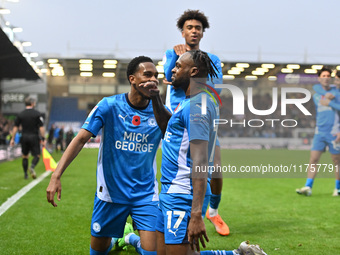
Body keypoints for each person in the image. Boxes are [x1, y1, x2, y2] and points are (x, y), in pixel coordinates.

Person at [148, 50, 266, 255]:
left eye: (178, 66)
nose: (172, 70)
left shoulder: (196, 107)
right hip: (170, 191)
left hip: (181, 193)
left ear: (193, 72)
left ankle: (239, 254)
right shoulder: (191, 100)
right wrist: (156, 98)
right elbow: (170, 128)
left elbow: (200, 161)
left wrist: (196, 215)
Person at [46, 56, 162, 255]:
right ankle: (120, 239)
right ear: (132, 79)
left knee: (154, 252)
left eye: (156, 76)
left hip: (145, 194)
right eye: (147, 75)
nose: (153, 79)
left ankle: (131, 238)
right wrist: (56, 175)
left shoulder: (160, 113)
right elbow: (80, 139)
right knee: (99, 252)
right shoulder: (109, 106)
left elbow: (179, 141)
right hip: (110, 193)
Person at [162, 9, 229, 236]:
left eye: (197, 28)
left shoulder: (213, 60)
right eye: (189, 27)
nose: (194, 31)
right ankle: (152, 212)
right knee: (169, 169)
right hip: (176, 119)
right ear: (183, 32)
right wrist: (175, 57)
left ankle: (213, 211)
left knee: (215, 169)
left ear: (202, 33)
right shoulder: (171, 54)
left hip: (201, 116)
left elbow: (215, 85)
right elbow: (168, 77)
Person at [296, 67, 340, 196]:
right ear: (319, 78)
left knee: (336, 161)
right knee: (313, 159)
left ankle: (337, 189)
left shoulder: (336, 92)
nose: (326, 78)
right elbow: (316, 87)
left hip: (334, 132)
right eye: (324, 76)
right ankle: (308, 187)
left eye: (328, 76)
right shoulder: (316, 94)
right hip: (319, 132)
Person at [10, 96, 46, 179]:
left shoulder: (21, 114)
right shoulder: (37, 114)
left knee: (25, 156)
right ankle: (32, 167)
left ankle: (25, 174)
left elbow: (15, 127)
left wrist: (12, 138)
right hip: (34, 136)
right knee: (37, 155)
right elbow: (41, 127)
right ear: (32, 103)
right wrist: (43, 139)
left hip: (24, 137)